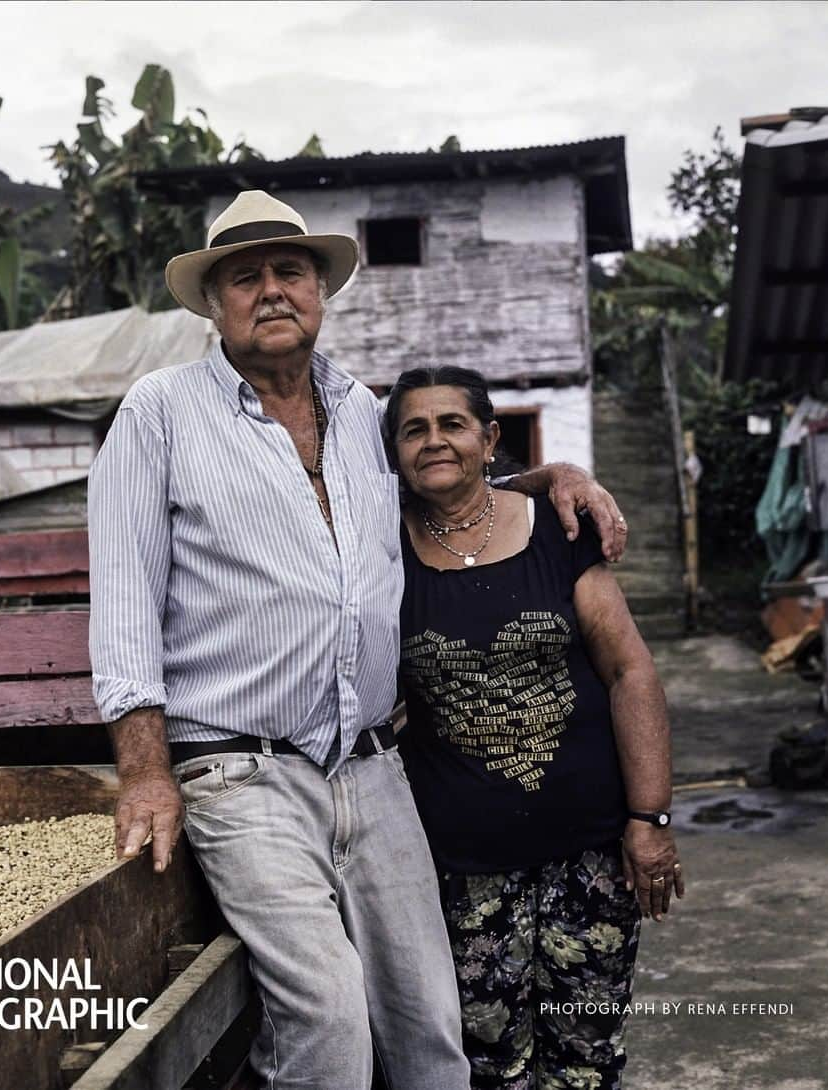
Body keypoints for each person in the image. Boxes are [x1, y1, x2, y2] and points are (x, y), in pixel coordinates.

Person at [88, 190, 629, 1090]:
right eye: (244, 276)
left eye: (288, 271)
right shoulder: (160, 414)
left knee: (430, 1021)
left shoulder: (361, 410)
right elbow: (123, 602)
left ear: (319, 290)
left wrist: (550, 476)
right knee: (330, 1022)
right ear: (214, 303)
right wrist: (146, 769)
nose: (270, 290)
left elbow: (442, 489)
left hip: (374, 765)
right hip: (242, 769)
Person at [382, 364, 684, 1090]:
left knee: (585, 1055)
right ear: (393, 452)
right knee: (488, 1062)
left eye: (452, 424)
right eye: (413, 430)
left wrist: (650, 817)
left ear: (489, 439)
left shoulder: (557, 528)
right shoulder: (381, 554)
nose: (434, 442)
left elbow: (629, 673)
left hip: (590, 857)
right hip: (463, 871)